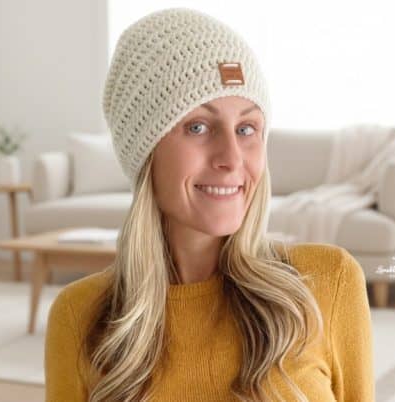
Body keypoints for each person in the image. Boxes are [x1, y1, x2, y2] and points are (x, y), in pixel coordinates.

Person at [45, 8, 374, 402]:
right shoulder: (78, 316)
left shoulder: (328, 283)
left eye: (246, 129)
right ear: (145, 152)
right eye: (198, 127)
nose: (232, 158)